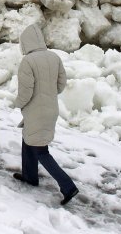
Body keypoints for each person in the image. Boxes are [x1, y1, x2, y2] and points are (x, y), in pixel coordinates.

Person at [12, 24, 79, 206]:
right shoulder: (54, 57)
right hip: (50, 108)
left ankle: (68, 186)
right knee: (29, 139)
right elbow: (61, 83)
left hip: (35, 110)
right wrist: (49, 94)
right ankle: (29, 176)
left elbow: (26, 91)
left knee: (41, 149)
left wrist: (17, 104)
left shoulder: (28, 61)